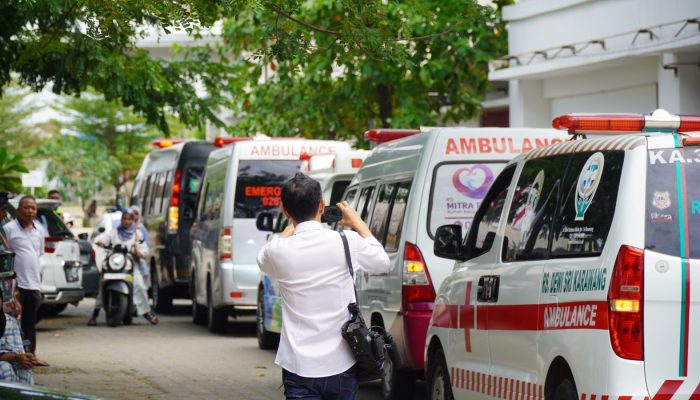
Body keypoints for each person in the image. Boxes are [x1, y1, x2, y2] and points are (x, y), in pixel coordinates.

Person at [257, 173, 390, 400]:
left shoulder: (277, 251)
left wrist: (291, 224)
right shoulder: (347, 241)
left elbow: (265, 256)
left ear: (285, 211)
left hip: (299, 365)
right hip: (342, 362)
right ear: (321, 205)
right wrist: (357, 222)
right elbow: (382, 261)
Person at [88, 210, 158, 326]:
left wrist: (139, 252)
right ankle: (94, 315)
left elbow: (144, 249)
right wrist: (99, 242)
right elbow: (103, 239)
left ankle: (147, 312)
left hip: (129, 266)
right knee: (102, 284)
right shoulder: (114, 232)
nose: (126, 221)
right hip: (114, 264)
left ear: (132, 220)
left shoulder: (137, 234)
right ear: (121, 220)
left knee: (139, 285)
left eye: (129, 219)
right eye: (124, 219)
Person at [2, 196, 46, 354]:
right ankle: (14, 355)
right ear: (19, 209)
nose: (30, 211)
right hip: (15, 285)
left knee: (30, 323)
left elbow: (38, 253)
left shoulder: (39, 229)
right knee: (12, 322)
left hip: (33, 285)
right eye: (26, 207)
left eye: (33, 208)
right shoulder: (8, 229)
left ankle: (30, 355)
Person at [129, 206, 150, 284]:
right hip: (124, 263)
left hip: (136, 261)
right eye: (132, 214)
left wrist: (138, 250)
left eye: (136, 213)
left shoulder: (139, 232)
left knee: (140, 282)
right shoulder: (118, 232)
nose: (134, 216)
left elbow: (144, 245)